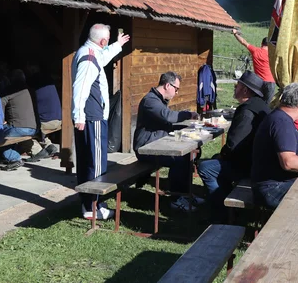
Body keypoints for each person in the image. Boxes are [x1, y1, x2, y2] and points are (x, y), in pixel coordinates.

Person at [72, 24, 130, 220]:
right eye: (107, 42)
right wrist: (79, 115)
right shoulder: (88, 58)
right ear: (102, 41)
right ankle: (94, 206)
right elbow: (80, 88)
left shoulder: (90, 52)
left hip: (89, 116)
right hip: (92, 116)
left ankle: (89, 204)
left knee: (88, 161)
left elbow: (103, 58)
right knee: (97, 164)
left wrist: (117, 45)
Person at [197, 71, 271, 220]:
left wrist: (222, 155)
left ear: (245, 90)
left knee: (205, 167)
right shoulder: (261, 106)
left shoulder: (247, 112)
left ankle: (222, 213)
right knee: (214, 162)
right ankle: (226, 206)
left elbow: (233, 145)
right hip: (259, 162)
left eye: (237, 85)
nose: (234, 88)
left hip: (249, 166)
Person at [134, 72, 202, 211]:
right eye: (176, 89)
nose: (176, 93)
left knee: (189, 154)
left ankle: (185, 194)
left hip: (155, 143)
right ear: (167, 85)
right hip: (145, 148)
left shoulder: (158, 100)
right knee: (179, 159)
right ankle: (176, 199)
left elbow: (165, 123)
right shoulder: (150, 101)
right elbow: (168, 117)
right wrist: (188, 114)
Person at [231, 29, 276, 104]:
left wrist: (235, 34)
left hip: (258, 82)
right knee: (267, 105)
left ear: (261, 43)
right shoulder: (272, 55)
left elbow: (243, 42)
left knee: (257, 103)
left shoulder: (255, 51)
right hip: (271, 82)